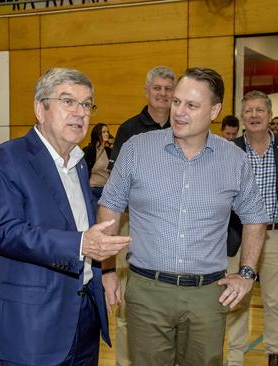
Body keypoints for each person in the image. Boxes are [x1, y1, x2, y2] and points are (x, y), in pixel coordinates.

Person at [99, 67, 269, 366]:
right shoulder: (137, 149)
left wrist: (246, 274)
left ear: (214, 110)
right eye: (177, 102)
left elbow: (255, 216)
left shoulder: (234, 160)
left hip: (208, 295)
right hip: (147, 291)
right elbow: (110, 205)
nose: (179, 112)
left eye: (191, 105)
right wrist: (108, 269)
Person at [0, 67, 131, 365]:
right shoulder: (9, 157)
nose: (80, 112)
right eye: (68, 101)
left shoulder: (78, 163)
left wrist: (106, 271)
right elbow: (8, 233)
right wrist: (80, 245)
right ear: (41, 108)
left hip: (84, 314)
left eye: (87, 104)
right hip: (32, 324)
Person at [225, 91, 278, 366]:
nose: (254, 115)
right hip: (238, 235)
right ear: (243, 117)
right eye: (249, 111)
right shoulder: (228, 150)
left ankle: (275, 353)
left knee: (274, 300)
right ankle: (234, 358)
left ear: (270, 116)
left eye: (260, 110)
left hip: (276, 235)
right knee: (235, 299)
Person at [106, 65, 175, 366]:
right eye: (157, 88)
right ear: (146, 91)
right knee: (126, 305)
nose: (162, 94)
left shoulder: (185, 125)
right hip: (133, 225)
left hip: (176, 227)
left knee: (170, 305)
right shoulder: (129, 129)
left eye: (168, 88)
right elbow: (114, 188)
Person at [82, 122, 111, 201]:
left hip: (106, 190)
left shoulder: (109, 151)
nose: (107, 134)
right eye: (104, 132)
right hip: (93, 190)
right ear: (97, 134)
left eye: (107, 132)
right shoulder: (89, 151)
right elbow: (83, 171)